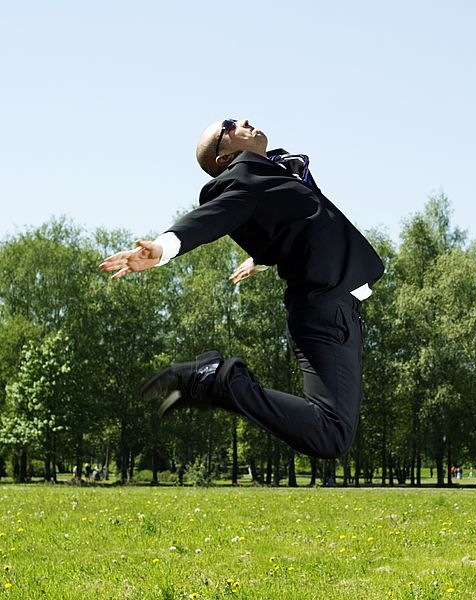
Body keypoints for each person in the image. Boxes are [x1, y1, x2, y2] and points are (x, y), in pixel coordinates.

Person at [99, 118, 384, 460]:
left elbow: (297, 221)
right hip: (325, 309)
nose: (244, 121)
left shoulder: (273, 175)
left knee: (333, 433)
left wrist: (261, 258)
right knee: (331, 434)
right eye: (230, 125)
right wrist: (163, 248)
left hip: (337, 309)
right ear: (224, 158)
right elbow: (217, 213)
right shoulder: (241, 177)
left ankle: (217, 385)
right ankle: (220, 380)